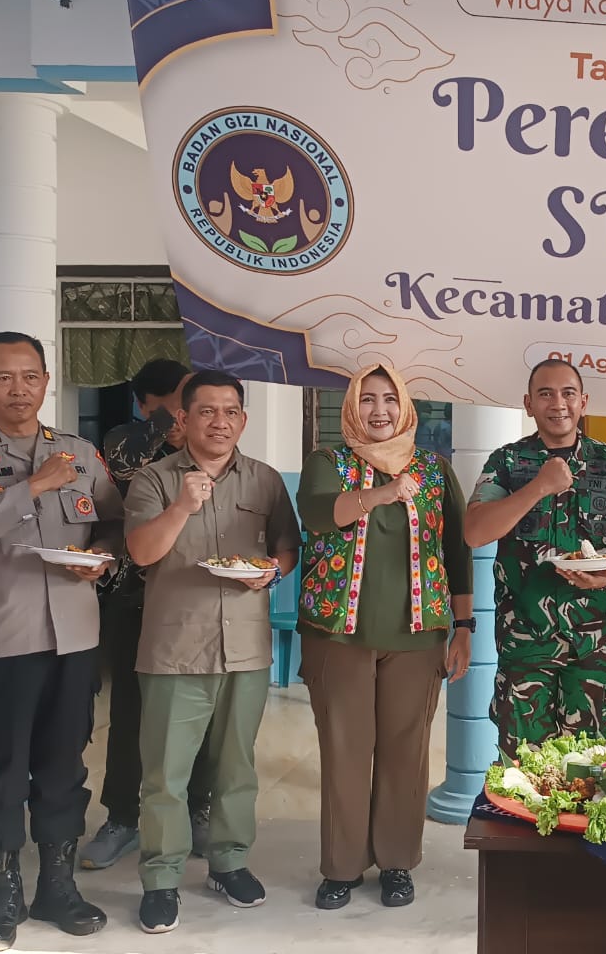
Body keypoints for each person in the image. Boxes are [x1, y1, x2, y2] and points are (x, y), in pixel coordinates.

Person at [0, 331, 122, 952]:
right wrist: (33, 488)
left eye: (29, 376)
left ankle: (57, 889)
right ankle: (3, 900)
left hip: (74, 637)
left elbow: (113, 524)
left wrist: (103, 558)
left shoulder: (81, 453)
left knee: (63, 767)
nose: (18, 389)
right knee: (0, 773)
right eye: (3, 377)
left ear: (47, 381)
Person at [124, 370, 302, 934]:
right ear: (184, 419)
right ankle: (160, 878)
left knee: (237, 768)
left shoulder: (265, 480)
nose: (219, 422)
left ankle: (229, 863)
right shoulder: (154, 480)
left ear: (243, 420)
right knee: (165, 775)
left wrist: (273, 571)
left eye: (230, 412)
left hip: (246, 647)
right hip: (175, 648)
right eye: (206, 411)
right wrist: (181, 507)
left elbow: (287, 546)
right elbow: (141, 552)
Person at [295, 364, 473, 911]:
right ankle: (341, 868)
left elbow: (457, 551)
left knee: (405, 753)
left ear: (406, 407)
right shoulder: (328, 462)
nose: (380, 411)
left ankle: (397, 863)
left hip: (418, 637)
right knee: (345, 752)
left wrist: (464, 628)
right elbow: (319, 515)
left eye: (390, 399)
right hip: (338, 635)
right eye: (368, 399)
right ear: (351, 407)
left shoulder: (435, 470)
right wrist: (382, 493)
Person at [464, 359, 606, 756]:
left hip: (595, 640)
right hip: (525, 639)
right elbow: (475, 531)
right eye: (545, 394)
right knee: (522, 765)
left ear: (584, 402)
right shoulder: (507, 461)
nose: (558, 403)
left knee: (594, 761)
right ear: (529, 404)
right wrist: (538, 487)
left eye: (568, 393)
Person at [82, 359, 216, 870]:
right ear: (146, 405)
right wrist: (169, 421)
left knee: (200, 715)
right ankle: (121, 818)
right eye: (180, 402)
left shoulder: (203, 450)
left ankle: (198, 811)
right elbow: (123, 465)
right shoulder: (125, 441)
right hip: (135, 602)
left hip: (195, 601)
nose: (189, 413)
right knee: (130, 715)